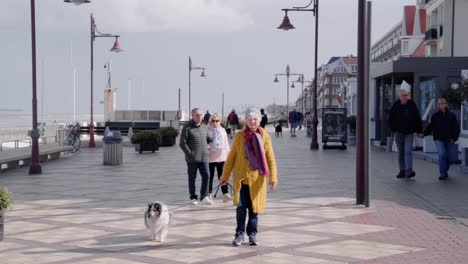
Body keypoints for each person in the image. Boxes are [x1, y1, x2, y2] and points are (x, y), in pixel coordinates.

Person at [220, 108, 278, 247]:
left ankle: (252, 235)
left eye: (255, 119)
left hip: (257, 180)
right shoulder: (240, 136)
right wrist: (225, 176)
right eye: (250, 119)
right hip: (241, 180)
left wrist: (273, 178)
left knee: (254, 210)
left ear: (259, 121)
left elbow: (270, 159)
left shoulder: (265, 136)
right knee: (241, 209)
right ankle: (239, 234)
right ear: (246, 121)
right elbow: (231, 158)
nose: (253, 122)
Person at [179, 108, 213, 205]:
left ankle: (204, 196)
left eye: (201, 115)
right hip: (192, 159)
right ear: (192, 116)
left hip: (204, 157)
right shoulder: (187, 127)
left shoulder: (204, 126)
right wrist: (190, 154)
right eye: (197, 115)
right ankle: (193, 197)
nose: (199, 117)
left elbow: (209, 139)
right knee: (192, 178)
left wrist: (209, 146)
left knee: (207, 176)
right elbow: (182, 143)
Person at [421, 98, 460, 180]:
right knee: (442, 154)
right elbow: (430, 127)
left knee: (449, 158)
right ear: (438, 105)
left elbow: (456, 128)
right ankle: (443, 173)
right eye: (440, 104)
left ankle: (445, 169)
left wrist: (454, 138)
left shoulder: (452, 115)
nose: (442, 105)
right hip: (438, 139)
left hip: (449, 139)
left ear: (446, 104)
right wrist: (423, 134)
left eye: (443, 103)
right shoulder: (435, 116)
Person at [389, 87, 423, 179]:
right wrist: (393, 129)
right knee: (401, 152)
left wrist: (419, 131)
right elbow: (390, 118)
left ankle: (409, 171)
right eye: (403, 95)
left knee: (408, 151)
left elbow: (417, 118)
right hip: (398, 132)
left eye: (406, 95)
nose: (405, 97)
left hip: (409, 132)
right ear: (400, 96)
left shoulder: (412, 105)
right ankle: (402, 170)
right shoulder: (396, 105)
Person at [207, 113, 232, 202]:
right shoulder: (207, 130)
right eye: (213, 121)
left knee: (222, 176)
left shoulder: (223, 130)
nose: (215, 122)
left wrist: (229, 155)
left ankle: (225, 194)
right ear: (210, 121)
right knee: (209, 176)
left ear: (220, 121)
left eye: (217, 121)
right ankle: (208, 194)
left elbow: (226, 143)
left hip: (221, 156)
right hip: (210, 157)